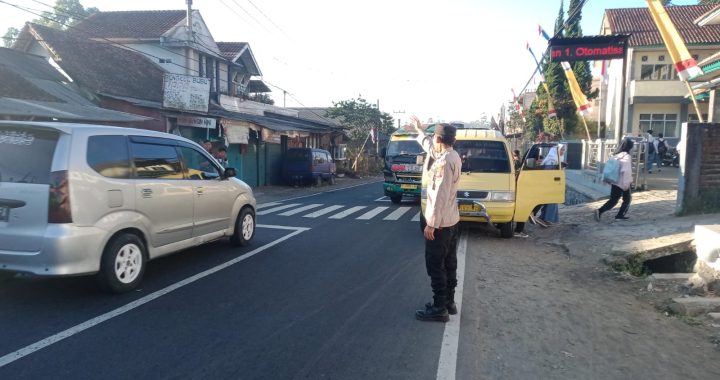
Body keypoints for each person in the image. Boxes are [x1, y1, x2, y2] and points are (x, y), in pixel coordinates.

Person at [406, 116, 462, 323]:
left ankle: (439, 308)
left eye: (434, 138)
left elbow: (439, 194)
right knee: (450, 262)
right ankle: (449, 302)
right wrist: (420, 130)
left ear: (439, 139)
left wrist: (432, 224)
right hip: (451, 221)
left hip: (440, 224)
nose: (432, 141)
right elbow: (429, 146)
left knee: (435, 264)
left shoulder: (442, 163)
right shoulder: (452, 155)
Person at [595, 138, 635, 221]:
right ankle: (620, 215)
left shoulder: (615, 155)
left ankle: (600, 211)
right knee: (627, 199)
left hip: (614, 181)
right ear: (630, 147)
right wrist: (627, 184)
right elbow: (626, 172)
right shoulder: (627, 157)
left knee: (613, 200)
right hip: (623, 182)